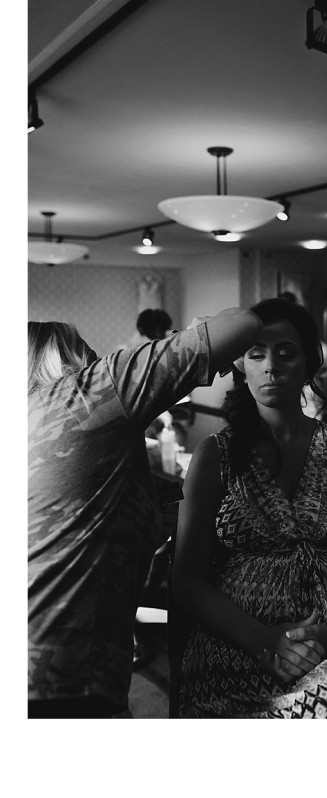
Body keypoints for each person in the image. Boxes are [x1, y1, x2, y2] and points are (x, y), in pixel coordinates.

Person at [173, 297, 327, 718]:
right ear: (239, 366)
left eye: (285, 353)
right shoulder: (214, 456)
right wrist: (261, 639)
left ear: (308, 363)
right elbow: (186, 578)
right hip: (236, 640)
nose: (270, 367)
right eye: (256, 354)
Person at [27, 307, 262, 718]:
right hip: (60, 665)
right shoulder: (89, 391)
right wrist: (189, 338)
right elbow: (244, 324)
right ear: (69, 359)